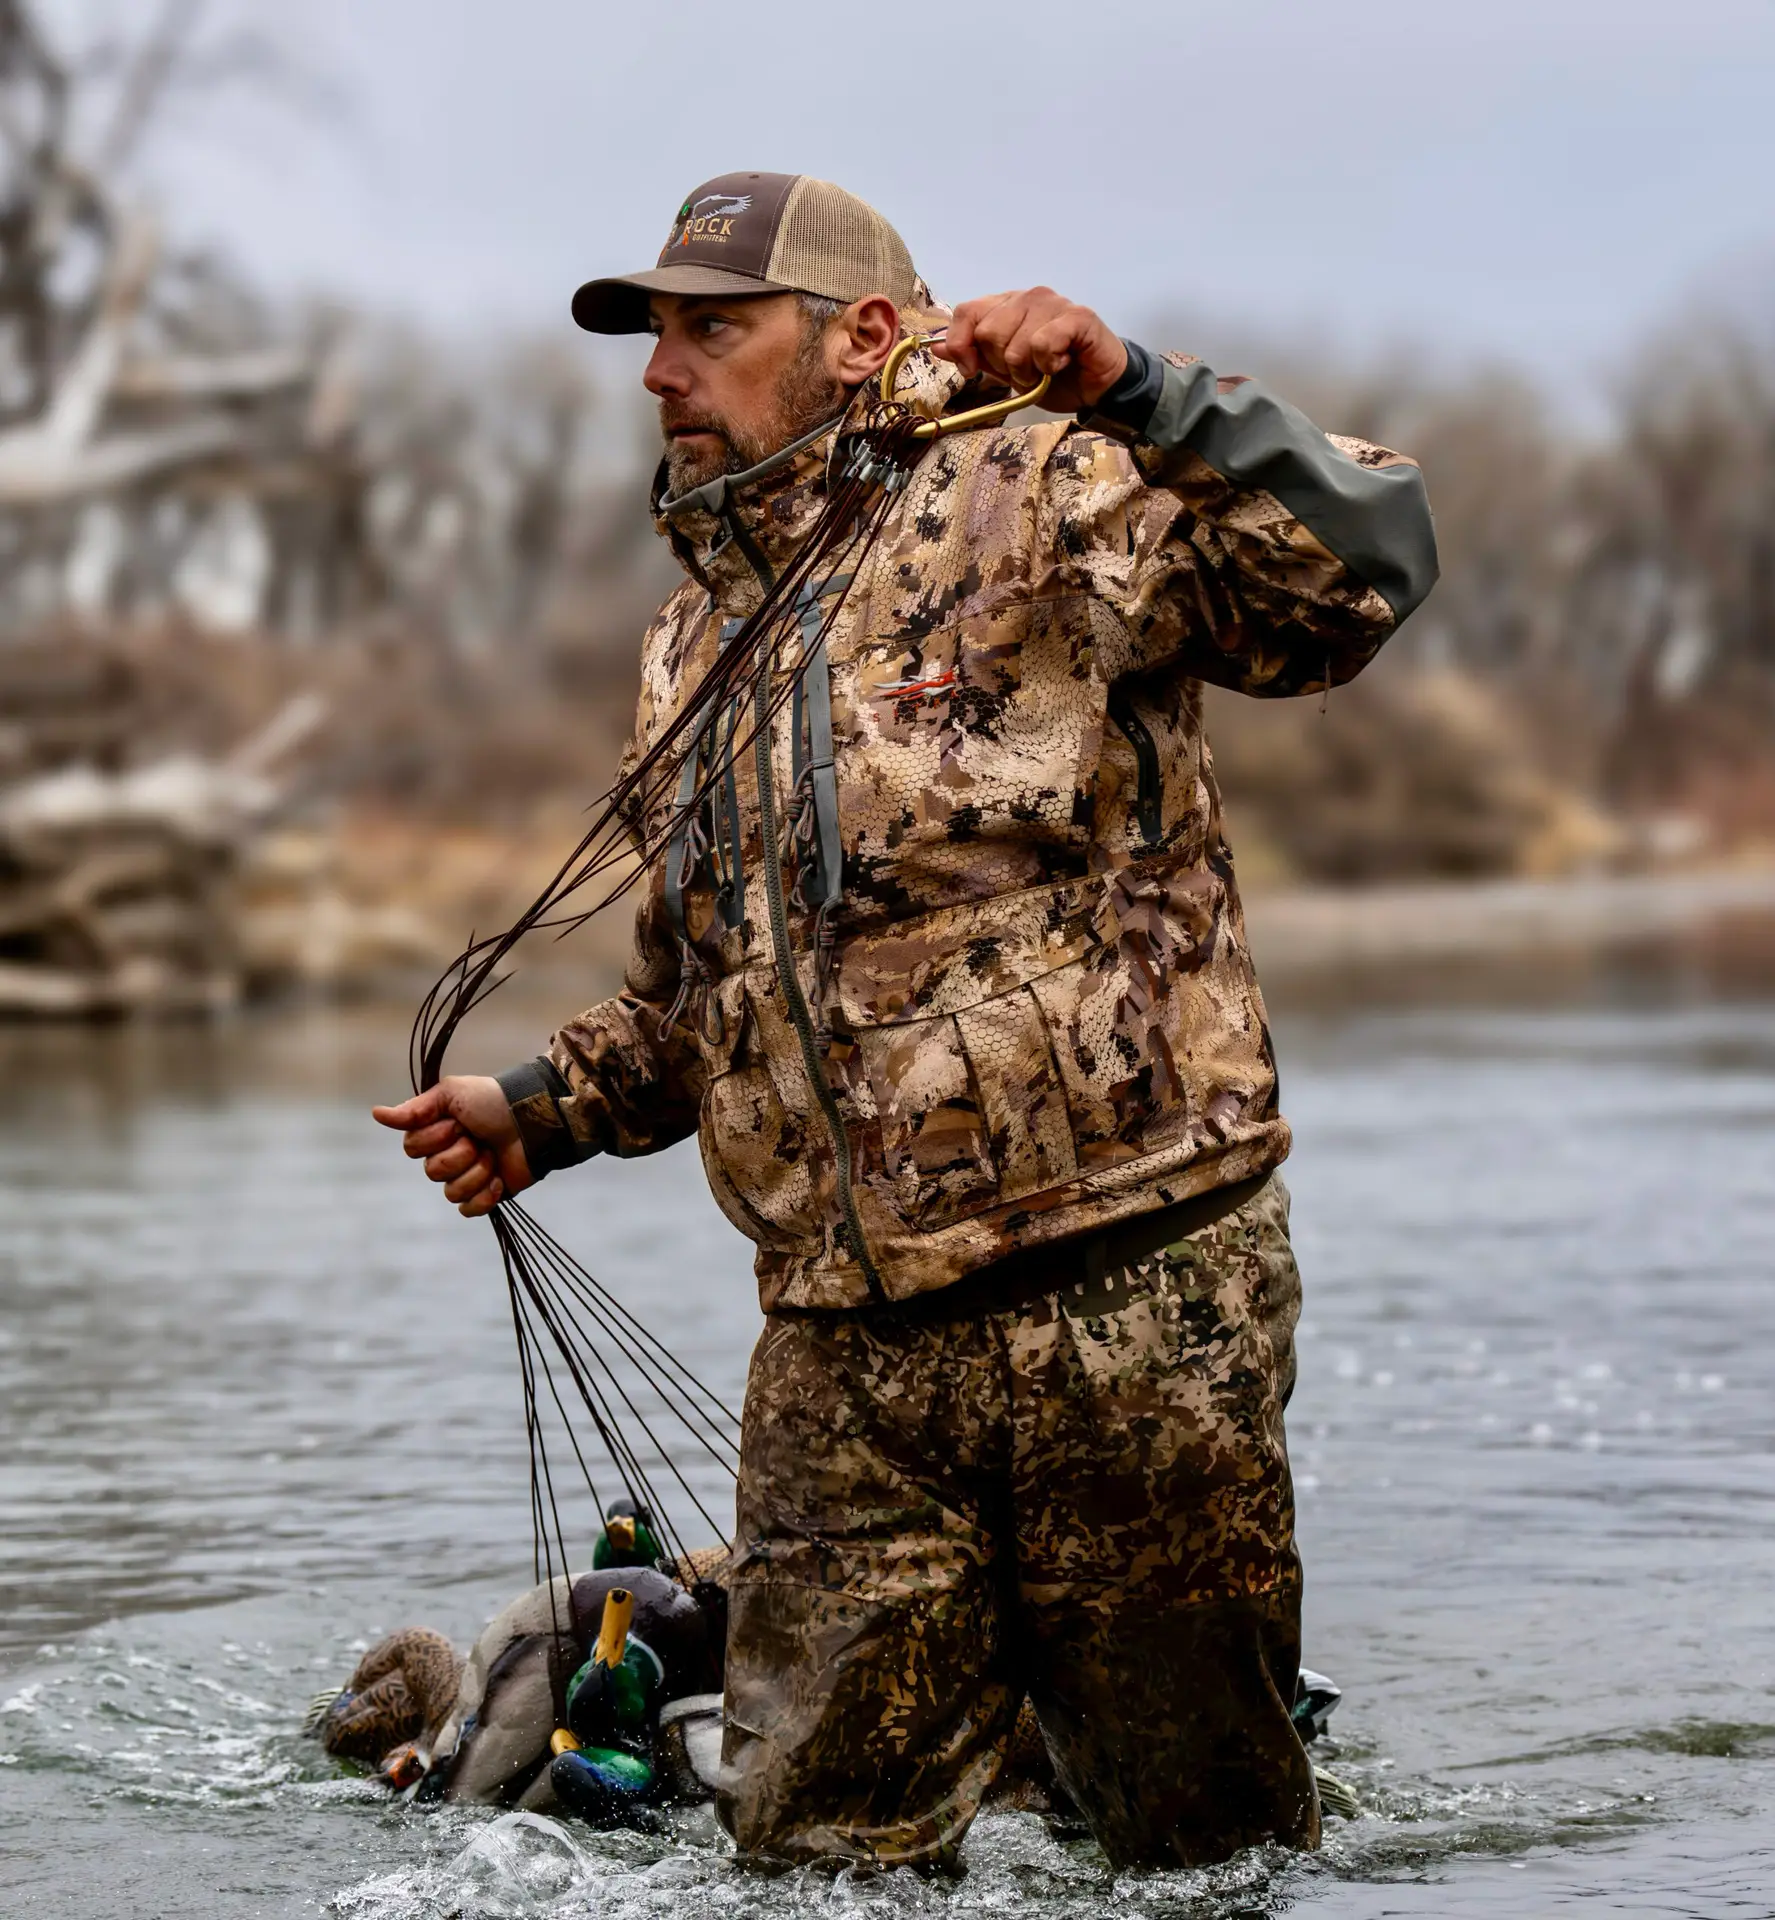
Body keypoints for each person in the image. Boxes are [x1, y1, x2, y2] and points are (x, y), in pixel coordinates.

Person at [373, 171, 1437, 1872]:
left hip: (1129, 1300)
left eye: (713, 330)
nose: (663, 373)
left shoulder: (1045, 485)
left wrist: (1144, 391)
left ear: (862, 335)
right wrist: (540, 1108)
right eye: (655, 336)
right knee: (808, 1863)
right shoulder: (691, 639)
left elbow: (1361, 572)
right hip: (841, 1357)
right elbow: (706, 994)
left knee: (1199, 1849)